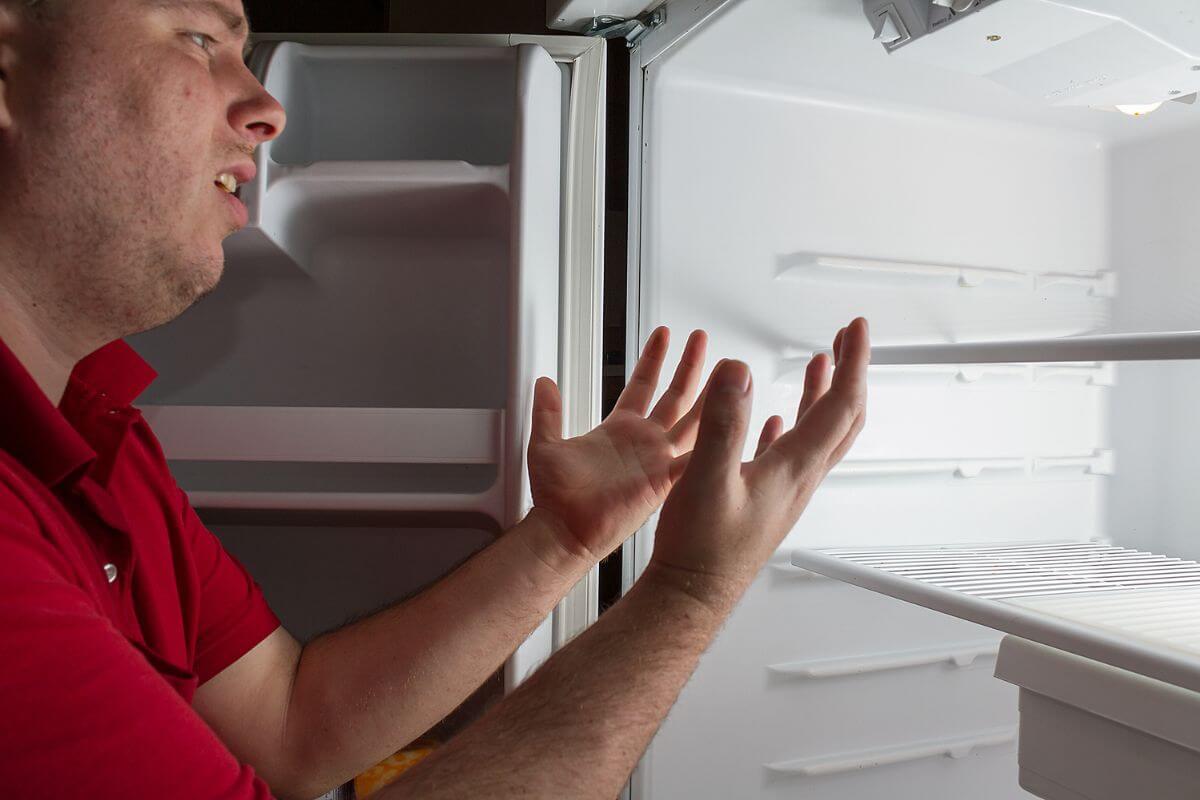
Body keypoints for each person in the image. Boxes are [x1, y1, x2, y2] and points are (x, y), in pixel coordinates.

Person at [0, 0, 870, 798]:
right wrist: (688, 589)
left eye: (246, 50)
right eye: (199, 37)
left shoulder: (100, 439)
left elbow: (290, 723)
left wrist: (563, 539)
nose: (267, 108)